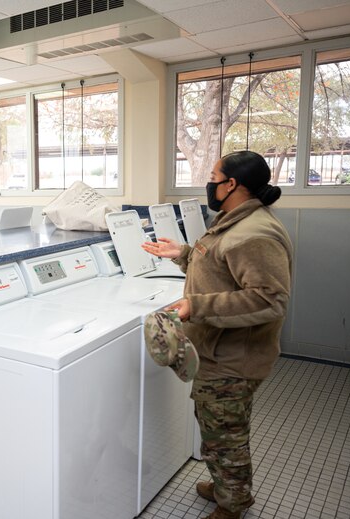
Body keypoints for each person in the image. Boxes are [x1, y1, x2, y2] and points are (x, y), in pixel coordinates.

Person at [141, 150, 292, 519]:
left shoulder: (253, 233)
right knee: (215, 427)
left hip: (233, 358)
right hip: (216, 351)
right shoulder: (234, 220)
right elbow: (221, 266)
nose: (208, 182)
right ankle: (225, 485)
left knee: (226, 437)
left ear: (231, 184)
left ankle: (233, 504)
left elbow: (269, 300)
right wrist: (184, 253)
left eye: (213, 175)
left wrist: (198, 306)